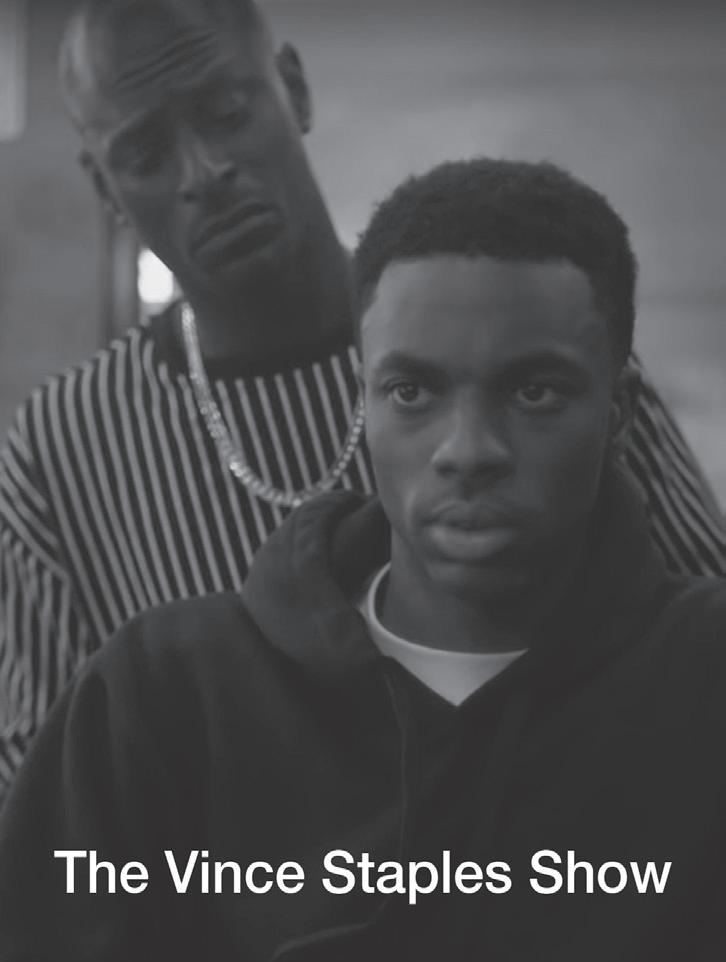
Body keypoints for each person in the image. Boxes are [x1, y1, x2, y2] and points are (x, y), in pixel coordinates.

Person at [0, 157, 725, 962]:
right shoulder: (166, 694)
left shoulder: (702, 683)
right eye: (413, 390)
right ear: (365, 403)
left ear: (620, 412)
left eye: (535, 391)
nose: (468, 449)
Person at [0, 0, 724, 795]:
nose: (204, 171)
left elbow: (701, 638)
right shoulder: (63, 446)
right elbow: (40, 795)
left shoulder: (536, 350)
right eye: (145, 153)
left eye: (227, 113)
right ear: (104, 185)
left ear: (293, 88)